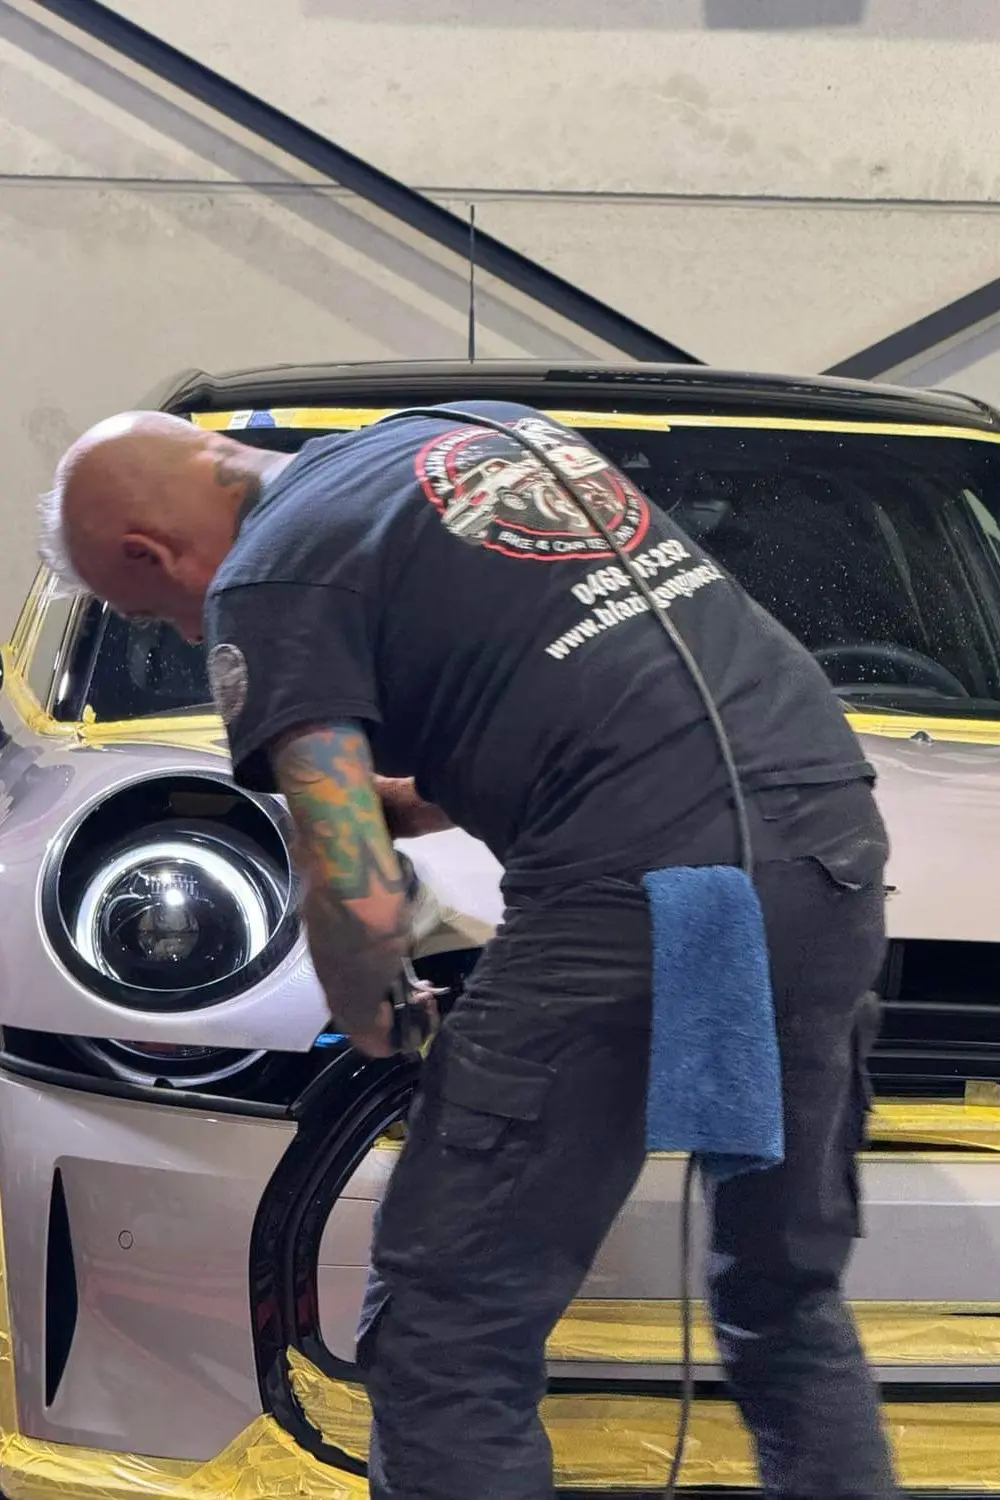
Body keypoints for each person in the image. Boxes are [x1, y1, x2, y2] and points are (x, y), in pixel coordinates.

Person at [41, 403, 899, 1500]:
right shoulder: (469, 434)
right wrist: (409, 804)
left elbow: (354, 893)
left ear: (145, 553)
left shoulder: (268, 577)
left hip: (632, 897)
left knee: (448, 1329)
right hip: (822, 859)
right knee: (783, 1296)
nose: (173, 630)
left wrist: (376, 1009)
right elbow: (594, 697)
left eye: (147, 612)